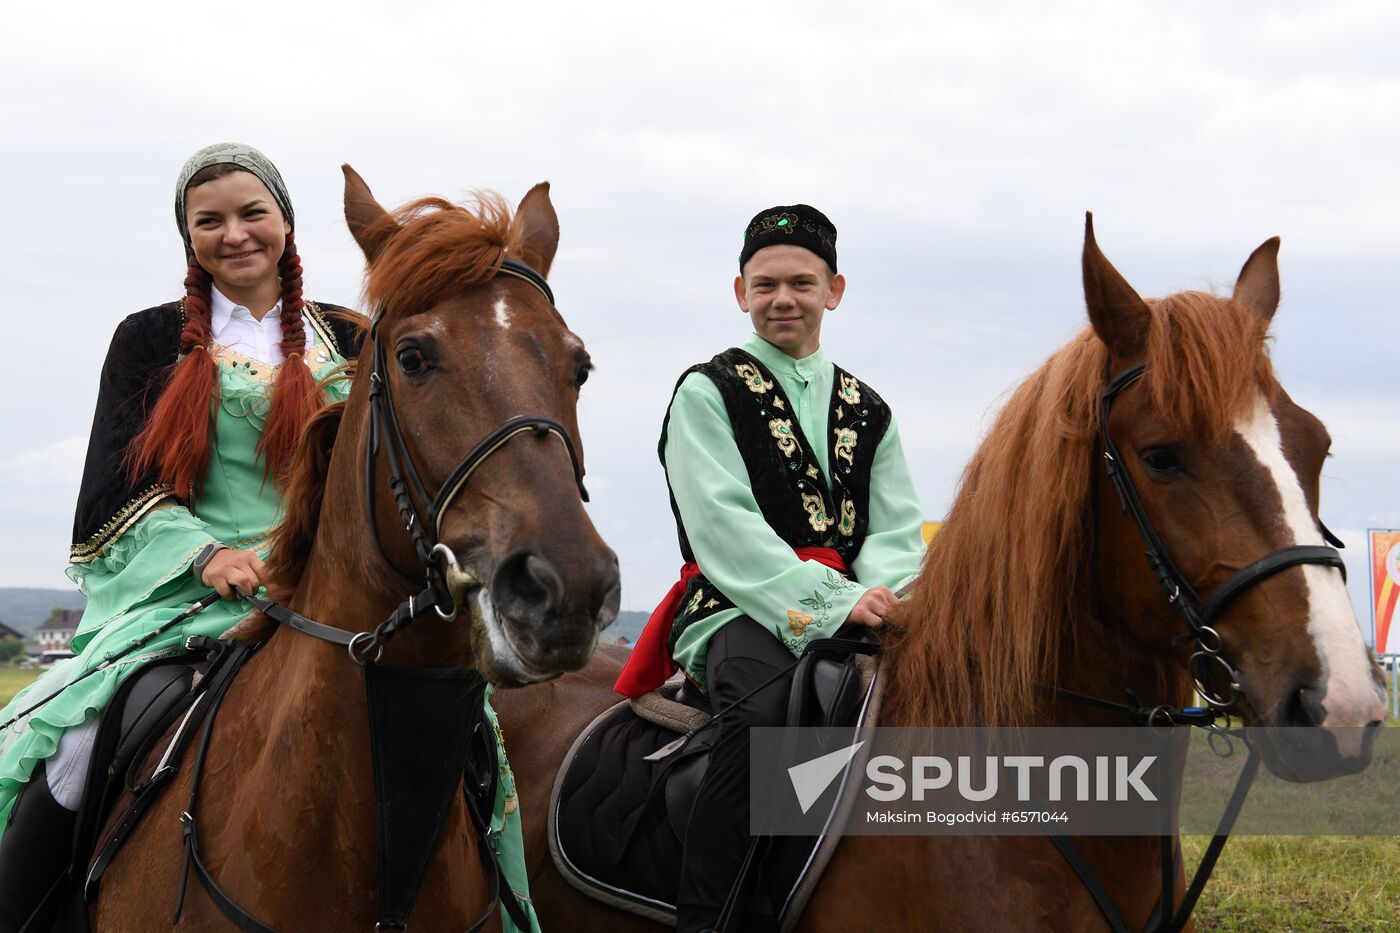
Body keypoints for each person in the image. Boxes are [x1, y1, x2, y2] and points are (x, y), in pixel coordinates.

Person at [0, 143, 353, 930]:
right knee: (75, 746)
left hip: (331, 593)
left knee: (477, 739)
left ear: (286, 223)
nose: (235, 234)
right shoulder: (148, 341)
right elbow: (117, 485)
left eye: (252, 212)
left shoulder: (356, 341)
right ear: (188, 236)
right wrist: (209, 555)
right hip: (191, 593)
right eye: (210, 220)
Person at [614, 205, 927, 931]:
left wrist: (875, 593)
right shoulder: (706, 390)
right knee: (762, 718)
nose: (782, 298)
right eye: (765, 285)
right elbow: (722, 525)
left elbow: (899, 525)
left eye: (800, 283)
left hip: (862, 603)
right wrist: (832, 601)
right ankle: (711, 917)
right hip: (737, 603)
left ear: (834, 290)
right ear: (740, 292)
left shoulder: (870, 410)